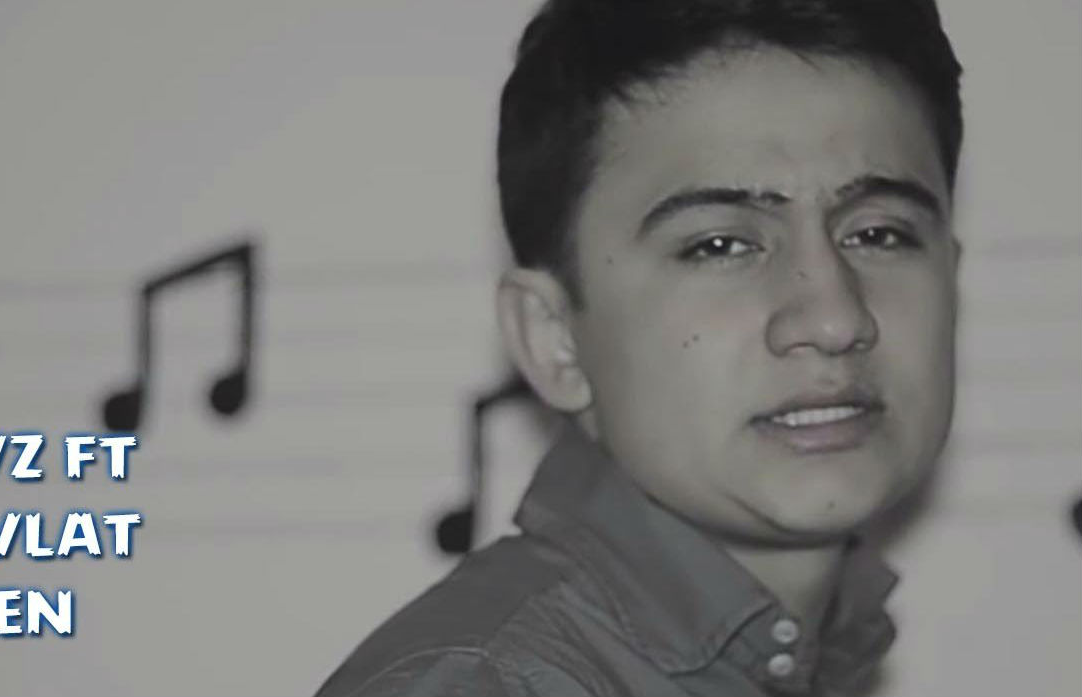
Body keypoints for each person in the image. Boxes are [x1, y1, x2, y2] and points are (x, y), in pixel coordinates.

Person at [315, 0, 963, 694]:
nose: (835, 319)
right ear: (553, 337)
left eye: (880, 234)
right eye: (719, 245)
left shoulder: (824, 654)